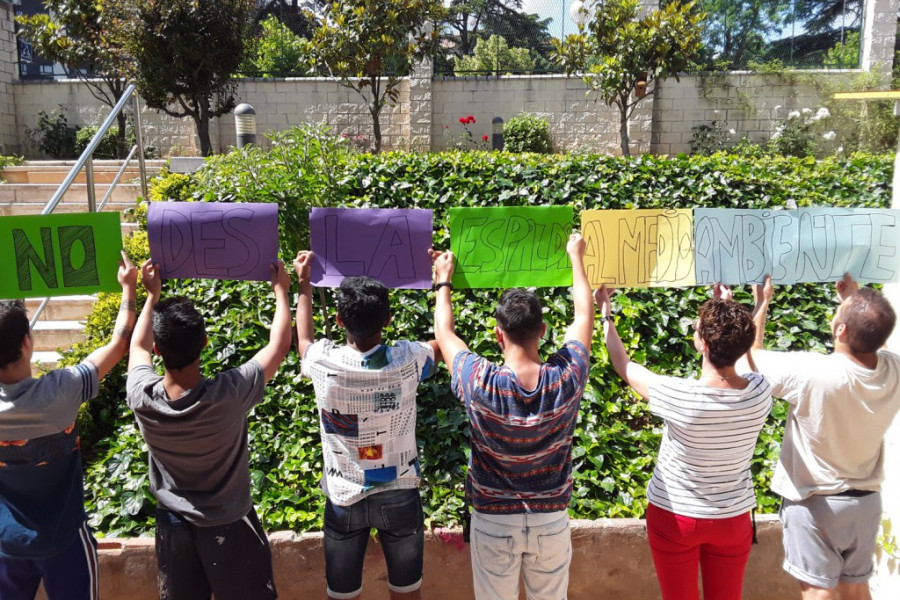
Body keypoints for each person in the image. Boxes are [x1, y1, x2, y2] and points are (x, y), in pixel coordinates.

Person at [429, 233, 593, 600]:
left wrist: (443, 280)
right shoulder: (567, 377)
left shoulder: (478, 381)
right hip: (551, 519)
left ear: (497, 334)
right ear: (544, 331)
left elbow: (444, 333)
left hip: (493, 521)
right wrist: (576, 258)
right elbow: (584, 316)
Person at [126, 258, 293, 600]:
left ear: (159, 350)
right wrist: (281, 291)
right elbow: (278, 346)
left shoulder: (141, 396)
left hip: (173, 527)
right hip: (231, 524)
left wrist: (149, 296)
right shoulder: (229, 393)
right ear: (204, 343)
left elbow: (136, 346)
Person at [596, 283, 772, 600]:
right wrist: (731, 308)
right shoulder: (760, 393)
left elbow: (624, 365)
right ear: (743, 343)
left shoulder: (680, 396)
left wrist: (606, 315)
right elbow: (746, 362)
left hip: (675, 519)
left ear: (701, 343)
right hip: (732, 520)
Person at [294, 250, 441, 600]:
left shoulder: (321, 362)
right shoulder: (408, 361)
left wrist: (302, 283)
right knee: (407, 593)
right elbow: (442, 342)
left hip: (344, 498)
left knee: (342, 595)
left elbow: (302, 341)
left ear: (340, 320)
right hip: (400, 494)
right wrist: (442, 284)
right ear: (388, 319)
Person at [748, 274, 900, 600]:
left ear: (841, 330)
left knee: (818, 592)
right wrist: (853, 301)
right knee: (858, 590)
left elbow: (749, 360)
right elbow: (876, 341)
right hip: (866, 504)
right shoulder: (893, 371)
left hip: (815, 505)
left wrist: (762, 302)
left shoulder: (813, 373)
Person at [0, 251, 137, 600]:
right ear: (27, 344)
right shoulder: (61, 392)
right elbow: (119, 344)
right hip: (65, 541)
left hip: (6, 542)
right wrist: (129, 290)